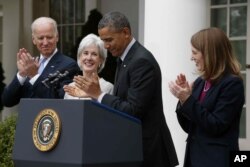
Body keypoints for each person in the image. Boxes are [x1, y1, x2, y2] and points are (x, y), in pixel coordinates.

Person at [73, 11, 179, 167]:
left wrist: (99, 94)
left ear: (125, 33)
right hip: (133, 148)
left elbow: (133, 110)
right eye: (103, 41)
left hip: (148, 153)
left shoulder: (141, 61)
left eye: (109, 40)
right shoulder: (125, 58)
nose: (106, 46)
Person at [168, 27, 245, 167]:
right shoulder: (200, 82)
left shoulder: (232, 84)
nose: (191, 57)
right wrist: (182, 100)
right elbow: (190, 127)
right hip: (194, 159)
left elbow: (216, 125)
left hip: (218, 160)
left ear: (210, 53)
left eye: (194, 52)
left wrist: (188, 100)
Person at [1, 17, 79, 107]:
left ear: (57, 37)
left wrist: (34, 76)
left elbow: (60, 101)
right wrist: (21, 75)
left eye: (49, 37)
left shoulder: (69, 65)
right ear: (34, 40)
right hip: (27, 120)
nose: (45, 42)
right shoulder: (29, 65)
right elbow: (7, 101)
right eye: (41, 38)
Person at [64, 34, 113, 99]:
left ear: (101, 60)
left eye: (94, 54)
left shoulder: (108, 87)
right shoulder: (71, 87)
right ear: (80, 57)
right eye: (85, 53)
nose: (89, 58)